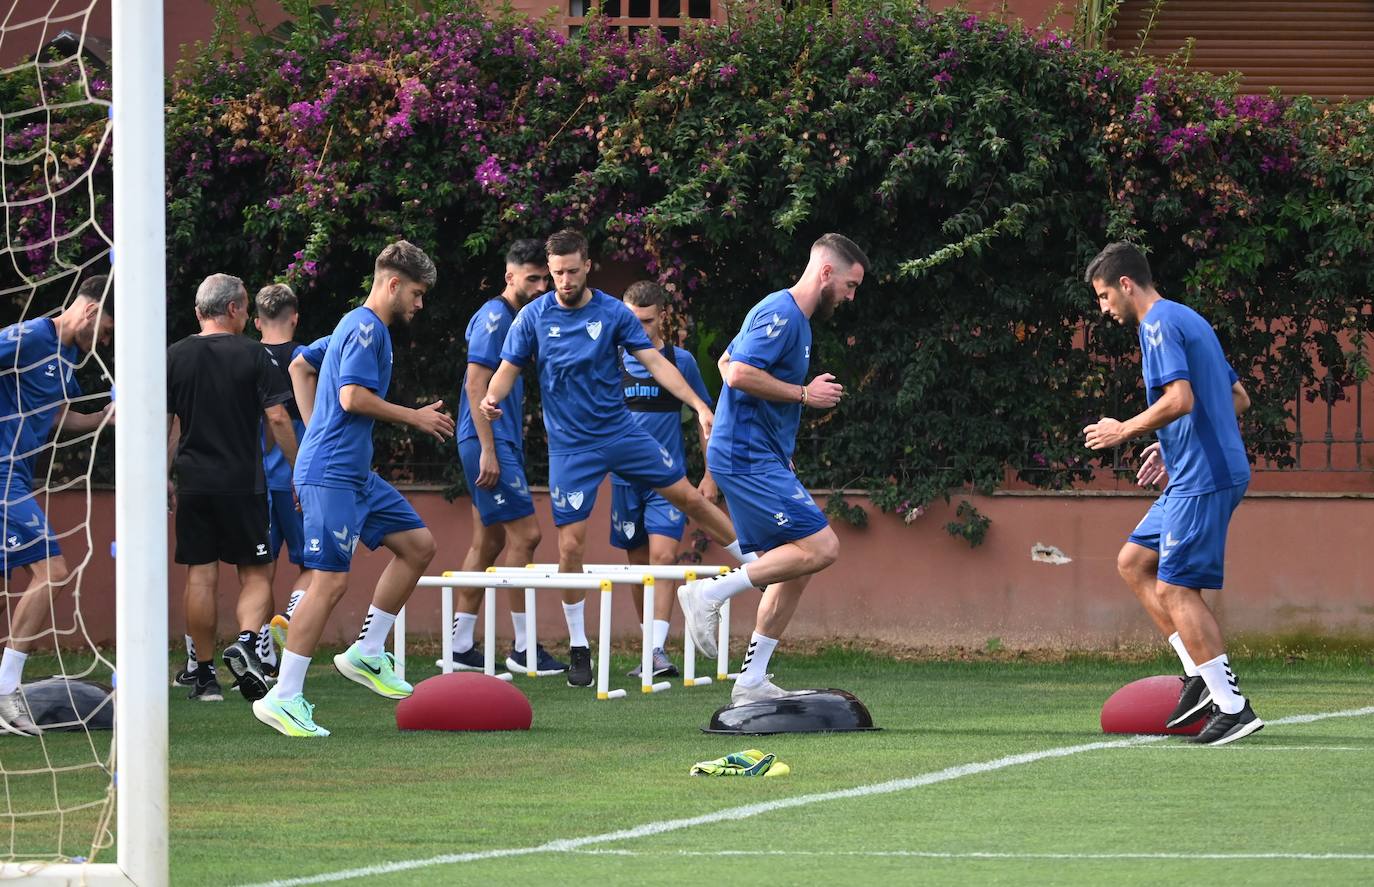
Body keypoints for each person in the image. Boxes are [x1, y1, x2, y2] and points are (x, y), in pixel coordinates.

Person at [480, 229, 754, 689]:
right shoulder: (530, 318)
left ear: (588, 265)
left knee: (687, 496)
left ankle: (756, 565)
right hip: (570, 447)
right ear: (549, 270)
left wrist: (701, 406)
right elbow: (505, 372)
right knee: (569, 547)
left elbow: (657, 363)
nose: (564, 280)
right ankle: (579, 647)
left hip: (621, 433)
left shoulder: (611, 313)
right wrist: (491, 399)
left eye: (572, 270)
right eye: (556, 272)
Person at [253, 240, 454, 738]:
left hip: (354, 474)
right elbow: (352, 396)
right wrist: (416, 416)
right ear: (392, 284)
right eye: (417, 293)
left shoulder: (353, 326)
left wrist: (314, 428)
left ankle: (366, 653)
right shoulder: (366, 327)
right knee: (329, 582)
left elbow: (300, 364)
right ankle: (283, 696)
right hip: (335, 474)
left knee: (419, 546)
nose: (420, 303)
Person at [1082, 241, 1262, 746]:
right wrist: (1171, 444)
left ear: (1125, 284)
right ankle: (1200, 677)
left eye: (1102, 297)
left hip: (1204, 475)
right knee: (1134, 561)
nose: (1104, 310)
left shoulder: (1158, 325)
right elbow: (1236, 397)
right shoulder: (1189, 319)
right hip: (1193, 469)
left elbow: (1179, 398)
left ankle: (1232, 707)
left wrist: (1125, 431)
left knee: (1175, 588)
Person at [676, 233, 869, 704]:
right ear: (826, 273)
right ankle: (711, 594)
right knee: (823, 547)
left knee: (796, 568)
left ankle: (752, 681)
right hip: (744, 454)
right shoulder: (782, 313)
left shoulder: (796, 322)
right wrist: (804, 394)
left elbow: (725, 361)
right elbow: (738, 373)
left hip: (759, 452)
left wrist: (779, 440)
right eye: (850, 285)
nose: (850, 296)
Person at [166, 273, 297, 704]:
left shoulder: (175, 356)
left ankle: (203, 677)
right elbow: (278, 418)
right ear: (235, 310)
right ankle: (243, 643)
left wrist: (166, 475)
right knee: (256, 574)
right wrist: (299, 472)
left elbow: (170, 424)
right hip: (243, 484)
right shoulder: (255, 355)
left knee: (200, 577)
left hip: (194, 484)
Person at [0, 276, 113, 735]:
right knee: (54, 571)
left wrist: (106, 416)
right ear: (89, 312)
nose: (104, 341)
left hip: (18, 476)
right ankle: (6, 690)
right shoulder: (30, 337)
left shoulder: (66, 359)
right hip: (3, 475)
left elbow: (60, 417)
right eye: (106, 331)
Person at [448, 240, 562, 675]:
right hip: (488, 440)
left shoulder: (516, 318)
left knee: (490, 541)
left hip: (495, 439)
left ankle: (459, 646)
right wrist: (490, 450)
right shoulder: (497, 317)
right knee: (527, 536)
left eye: (543, 279)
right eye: (531, 278)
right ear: (509, 277)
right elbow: (476, 386)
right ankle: (523, 647)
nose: (540, 287)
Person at [610, 281, 718, 680]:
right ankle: (648, 649)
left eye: (647, 321)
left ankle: (657, 650)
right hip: (624, 482)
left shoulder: (680, 360)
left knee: (664, 559)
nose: (638, 327)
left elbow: (705, 419)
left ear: (662, 317)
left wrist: (710, 475)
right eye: (631, 320)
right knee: (639, 566)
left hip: (668, 480)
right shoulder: (611, 359)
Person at [253, 283, 315, 669]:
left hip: (255, 477)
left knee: (260, 569)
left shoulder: (246, 356)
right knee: (313, 564)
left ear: (257, 321)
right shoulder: (306, 359)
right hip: (298, 472)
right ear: (295, 316)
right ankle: (290, 616)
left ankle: (262, 648)